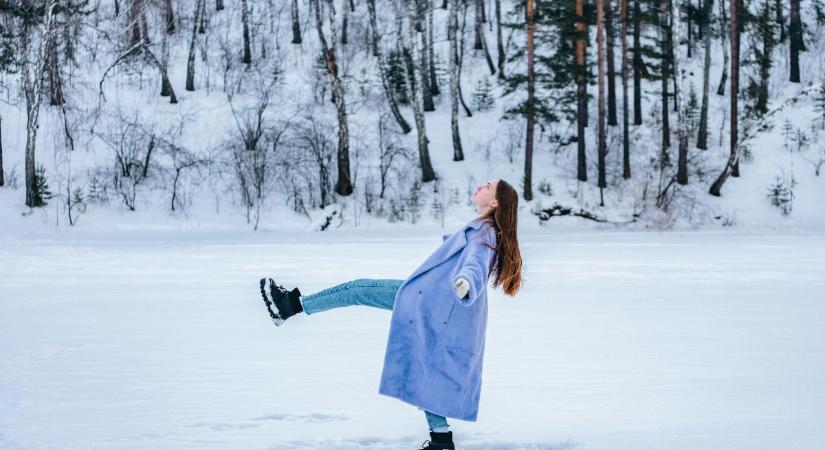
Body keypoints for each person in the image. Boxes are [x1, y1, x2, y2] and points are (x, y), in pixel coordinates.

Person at [258, 178, 523, 450]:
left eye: (487, 186)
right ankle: (441, 439)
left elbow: (476, 263)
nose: (480, 186)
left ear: (494, 202)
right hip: (436, 307)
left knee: (358, 289)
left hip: (429, 302)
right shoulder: (483, 229)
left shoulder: (484, 232)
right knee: (426, 369)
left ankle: (289, 306)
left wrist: (466, 282)